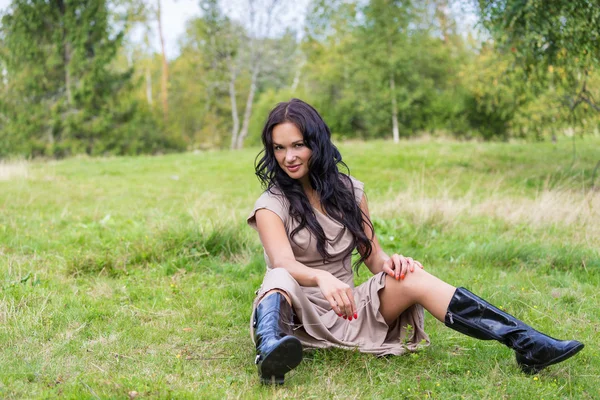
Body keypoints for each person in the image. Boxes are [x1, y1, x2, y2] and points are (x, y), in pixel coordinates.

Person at [247, 98, 584, 385]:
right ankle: (272, 352)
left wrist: (394, 264)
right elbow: (283, 264)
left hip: (349, 309)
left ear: (315, 143)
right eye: (279, 148)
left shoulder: (350, 191)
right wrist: (322, 277)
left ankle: (526, 343)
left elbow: (373, 257)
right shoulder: (271, 204)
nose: (288, 156)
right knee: (276, 278)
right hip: (297, 316)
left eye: (297, 145)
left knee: (410, 276)